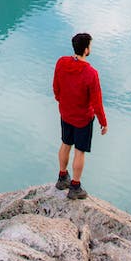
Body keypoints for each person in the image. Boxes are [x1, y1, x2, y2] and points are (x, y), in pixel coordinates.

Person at [52, 31, 108, 200]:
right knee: (79, 151)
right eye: (90, 46)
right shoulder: (91, 73)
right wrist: (103, 122)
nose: (90, 48)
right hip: (83, 118)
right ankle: (75, 187)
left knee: (65, 143)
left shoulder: (61, 62)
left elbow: (56, 86)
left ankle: (62, 178)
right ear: (86, 50)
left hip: (66, 113)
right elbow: (97, 102)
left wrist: (61, 100)